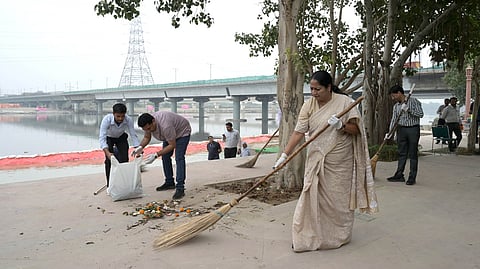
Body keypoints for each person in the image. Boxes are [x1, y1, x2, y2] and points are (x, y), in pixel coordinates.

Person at [273, 70, 378, 252]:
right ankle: (305, 236)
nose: (314, 93)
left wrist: (341, 125)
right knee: (310, 195)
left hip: (340, 161)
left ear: (329, 87)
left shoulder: (345, 102)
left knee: (338, 201)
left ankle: (338, 235)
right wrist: (284, 155)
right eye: (311, 89)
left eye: (318, 89)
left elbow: (356, 130)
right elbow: (299, 132)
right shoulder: (309, 105)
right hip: (316, 159)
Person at [132, 111, 191, 200]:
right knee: (165, 156)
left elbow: (172, 145)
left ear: (153, 121)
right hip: (169, 135)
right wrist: (140, 147)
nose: (148, 131)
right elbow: (147, 137)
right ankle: (169, 182)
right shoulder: (148, 124)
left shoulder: (166, 126)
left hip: (182, 132)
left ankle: (180, 187)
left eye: (149, 128)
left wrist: (156, 155)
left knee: (179, 157)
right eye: (146, 129)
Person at [386, 85, 424, 185]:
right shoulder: (396, 106)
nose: (393, 98)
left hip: (413, 129)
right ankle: (399, 174)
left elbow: (420, 114)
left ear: (399, 93)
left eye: (394, 96)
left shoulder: (413, 101)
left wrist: (408, 110)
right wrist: (389, 133)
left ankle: (412, 177)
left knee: (412, 154)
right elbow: (394, 120)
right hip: (401, 130)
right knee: (401, 153)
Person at [99, 103, 140, 188]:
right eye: (118, 116)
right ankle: (109, 185)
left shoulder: (128, 119)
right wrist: (107, 153)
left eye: (122, 116)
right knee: (109, 161)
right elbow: (102, 138)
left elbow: (133, 134)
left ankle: (124, 182)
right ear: (113, 114)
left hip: (121, 137)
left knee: (124, 159)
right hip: (109, 138)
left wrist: (138, 148)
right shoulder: (106, 120)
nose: (120, 119)